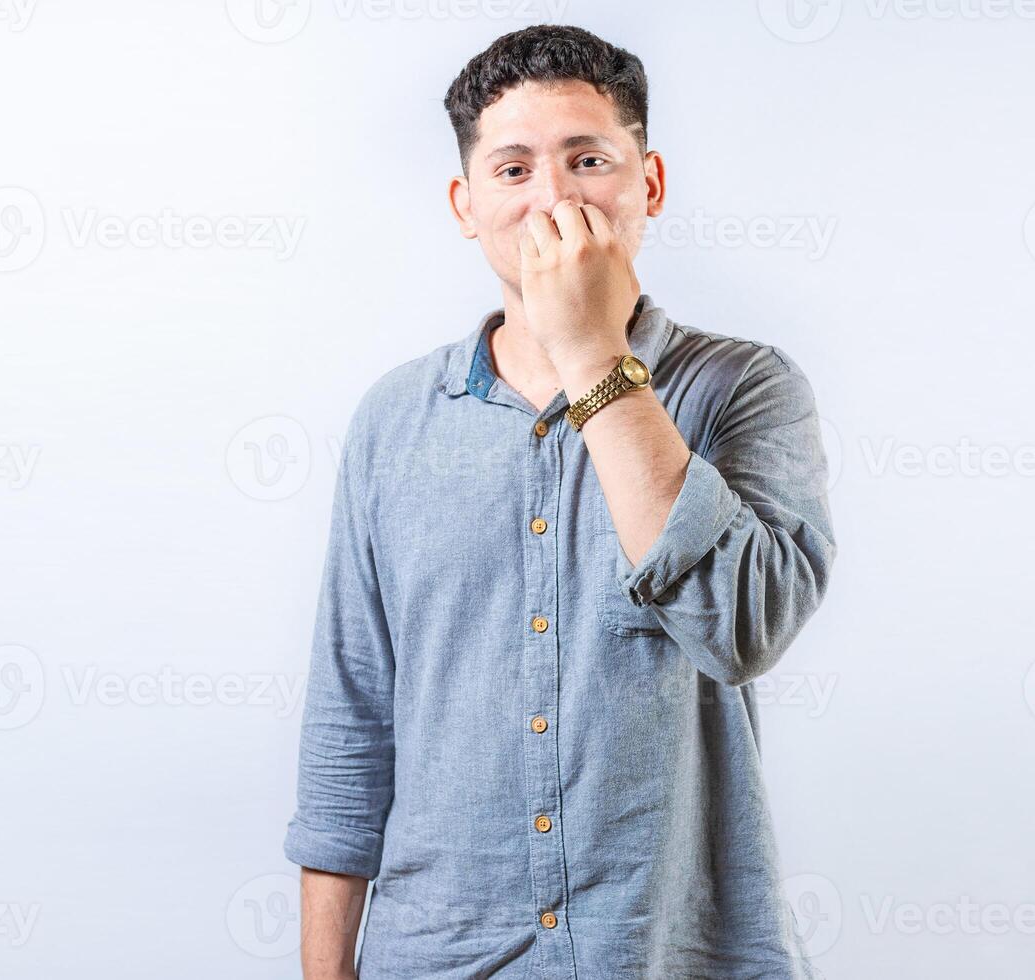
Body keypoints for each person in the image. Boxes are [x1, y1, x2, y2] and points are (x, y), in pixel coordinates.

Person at [284, 24, 836, 979]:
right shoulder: (393, 421)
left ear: (648, 183)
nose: (554, 198)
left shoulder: (744, 388)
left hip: (663, 957)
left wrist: (592, 356)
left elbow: (743, 631)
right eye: (512, 169)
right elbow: (351, 724)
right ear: (466, 203)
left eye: (589, 159)